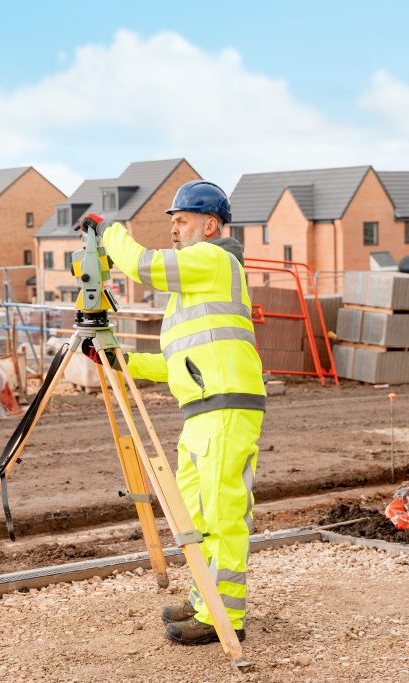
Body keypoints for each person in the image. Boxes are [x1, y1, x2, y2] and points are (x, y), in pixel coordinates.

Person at [75, 180, 265, 645]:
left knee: (222, 515)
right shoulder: (190, 293)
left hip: (226, 409)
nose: (175, 230)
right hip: (202, 412)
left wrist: (108, 231)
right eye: (174, 222)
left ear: (210, 225)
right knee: (196, 515)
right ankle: (207, 601)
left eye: (181, 221)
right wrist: (122, 361)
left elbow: (143, 265)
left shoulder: (215, 258)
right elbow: (176, 363)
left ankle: (225, 618)